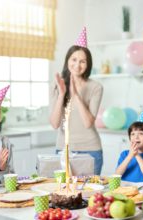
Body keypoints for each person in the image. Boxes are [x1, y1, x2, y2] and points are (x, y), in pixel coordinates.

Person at [49, 27, 104, 175]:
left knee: (90, 194)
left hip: (91, 150)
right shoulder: (57, 85)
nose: (77, 65)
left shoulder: (95, 87)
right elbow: (54, 124)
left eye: (83, 61)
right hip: (63, 149)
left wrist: (76, 96)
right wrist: (62, 95)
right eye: (74, 59)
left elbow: (88, 123)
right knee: (63, 194)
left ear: (88, 64)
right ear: (67, 60)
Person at [115, 104, 143, 182]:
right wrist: (130, 156)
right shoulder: (125, 154)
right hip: (124, 188)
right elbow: (116, 175)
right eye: (133, 134)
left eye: (141, 134)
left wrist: (137, 155)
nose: (136, 137)